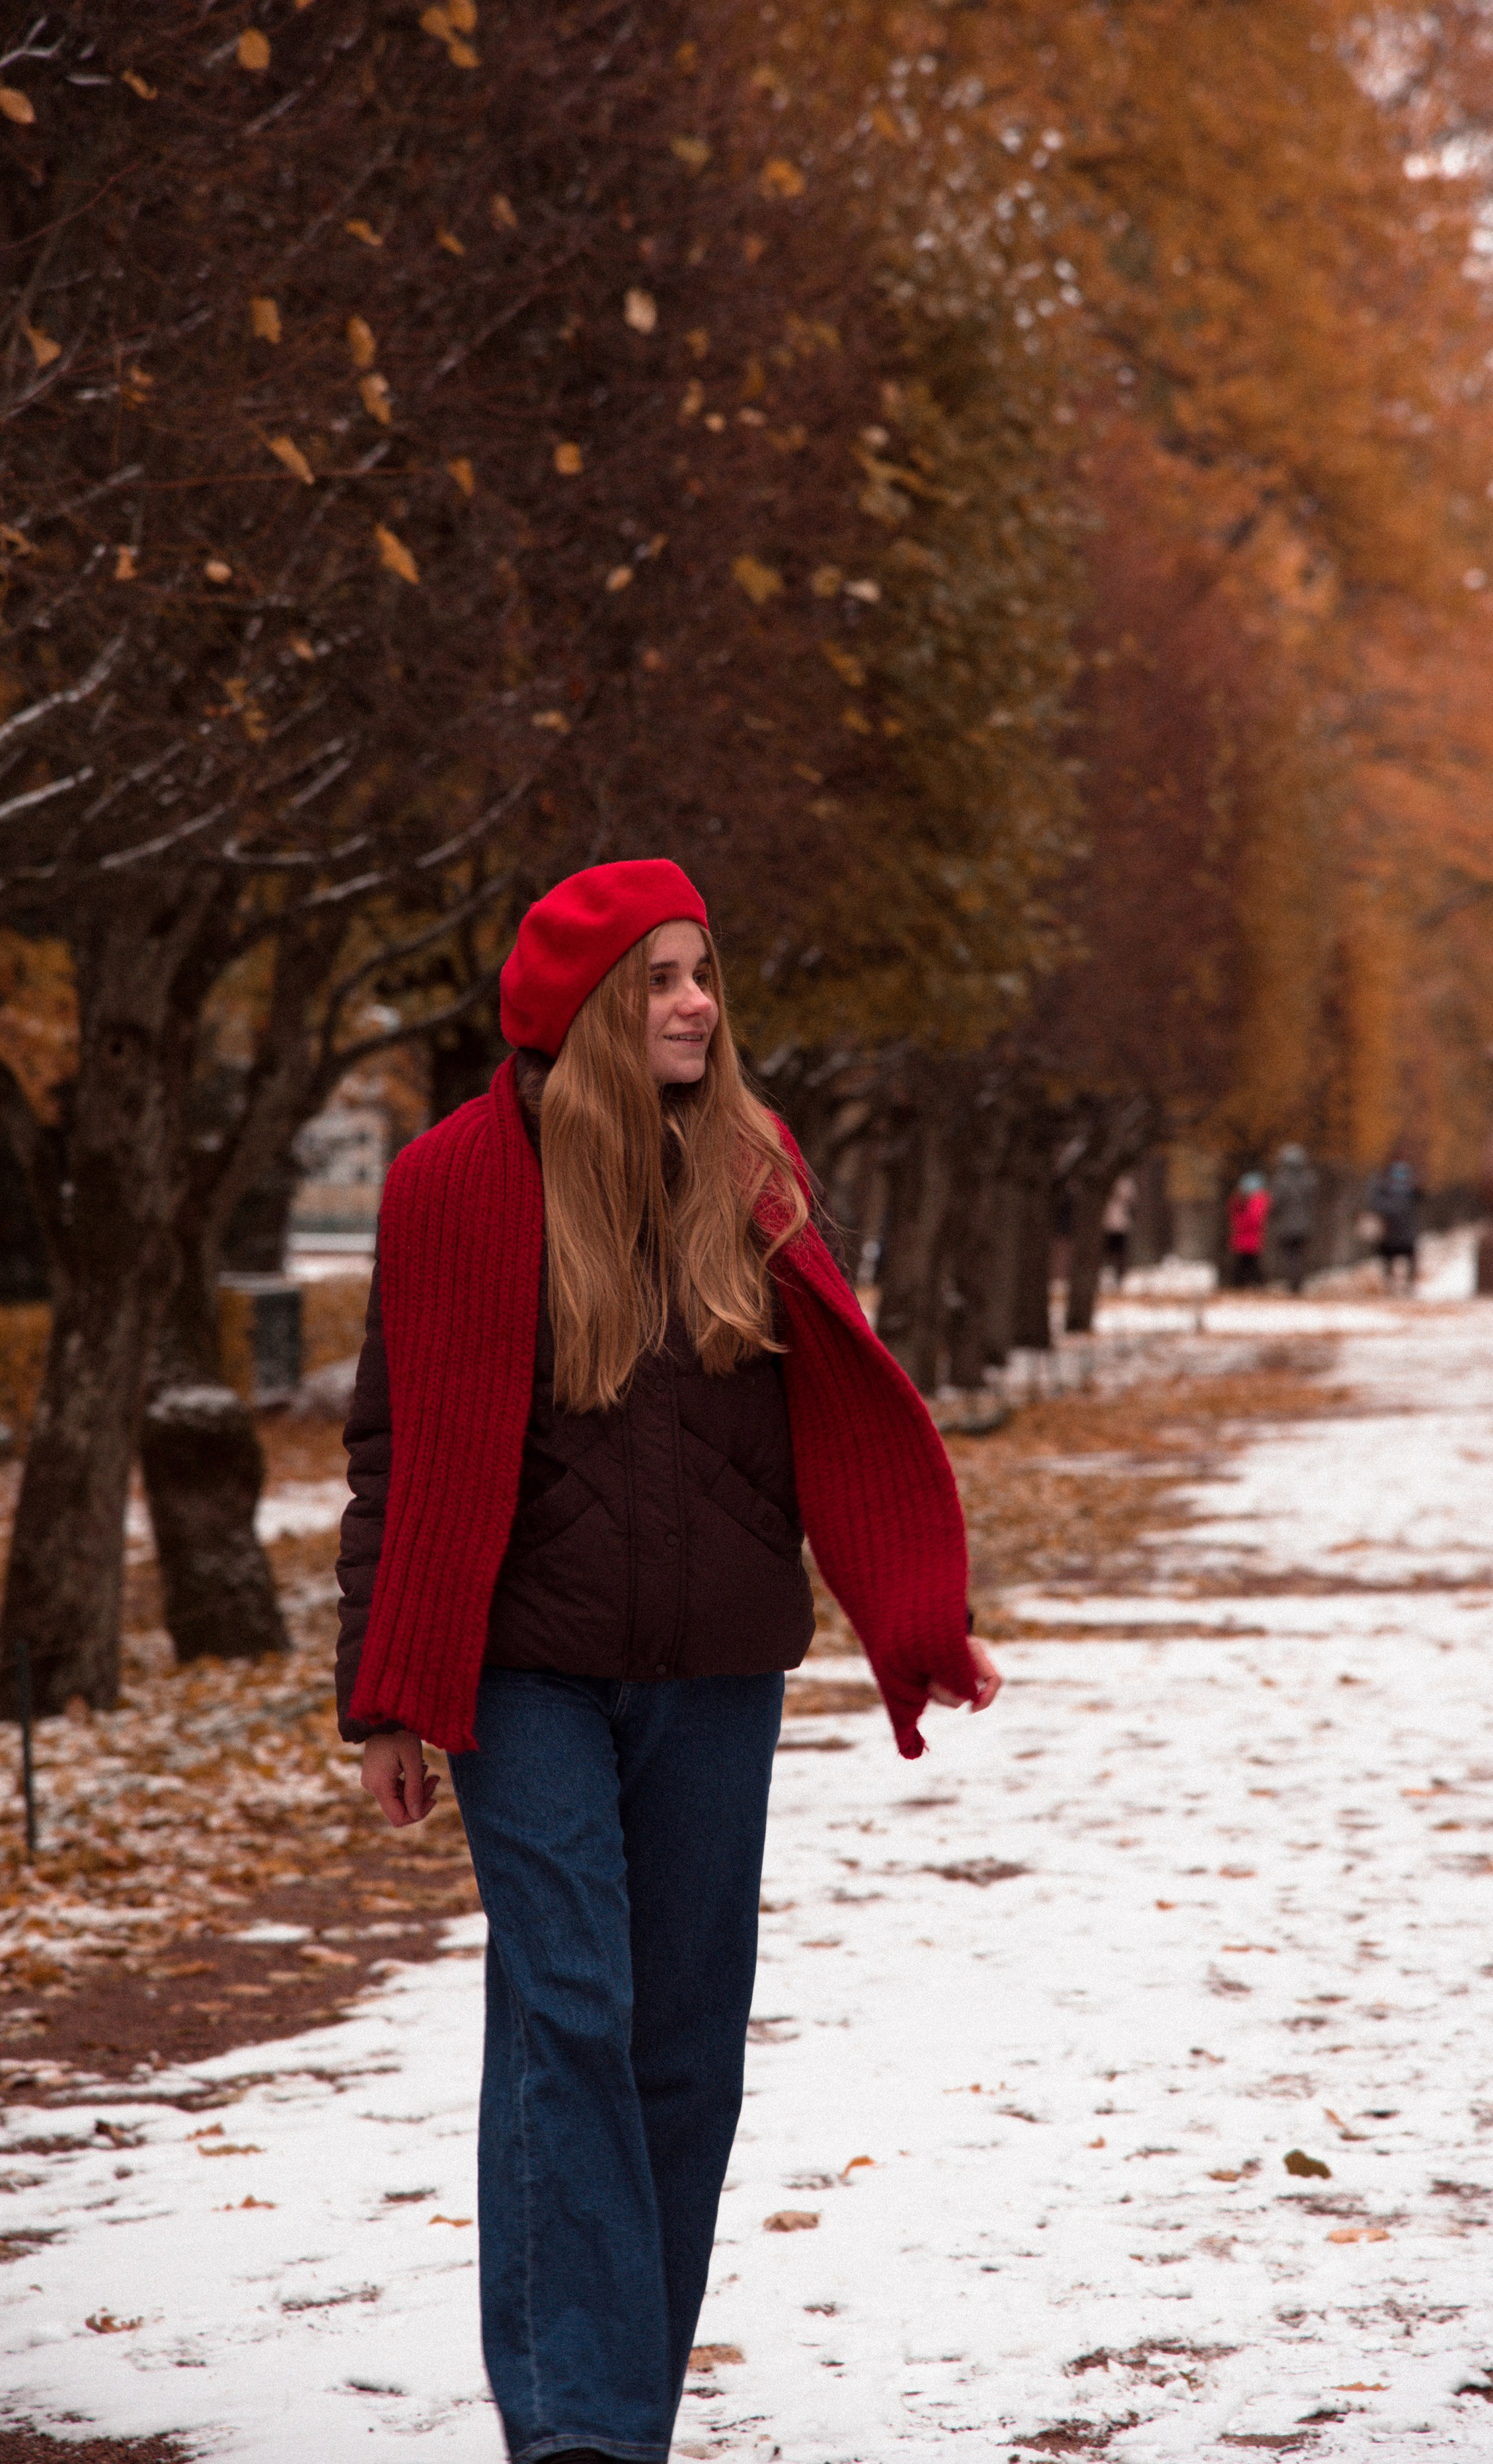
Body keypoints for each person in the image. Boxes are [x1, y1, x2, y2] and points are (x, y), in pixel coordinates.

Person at [334, 859, 1002, 2464]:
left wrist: (909, 1607)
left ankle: (605, 2377)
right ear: (581, 1008)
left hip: (715, 1668)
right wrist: (384, 1691)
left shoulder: (756, 1174)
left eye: (702, 970)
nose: (697, 1000)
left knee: (680, 2035)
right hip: (522, 1668)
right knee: (570, 2002)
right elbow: (389, 1447)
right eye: (659, 977)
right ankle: (590, 2427)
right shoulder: (445, 1184)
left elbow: (838, 1408)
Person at [1268, 1143, 1319, 1293]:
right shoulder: (1310, 1179)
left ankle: (1294, 1283)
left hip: (1286, 1225)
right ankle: (1298, 1281)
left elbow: (1276, 1203)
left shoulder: (1281, 1180)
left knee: (1290, 1255)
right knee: (1300, 1255)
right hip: (1305, 1224)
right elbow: (1312, 1201)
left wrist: (1273, 1215)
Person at [1368, 1155, 1424, 1291]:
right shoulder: (1406, 1188)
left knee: (1393, 1258)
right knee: (1402, 1257)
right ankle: (1402, 1285)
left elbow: (1375, 1201)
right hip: (1399, 1230)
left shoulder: (1386, 1187)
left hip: (1395, 1230)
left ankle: (1396, 1285)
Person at [1226, 1170, 1270, 1289]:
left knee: (1247, 1265)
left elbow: (1253, 1220)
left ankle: (1243, 1285)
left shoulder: (1257, 1200)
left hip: (1249, 1238)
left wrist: (1240, 1223)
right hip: (1247, 1238)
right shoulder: (1247, 1200)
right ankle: (1249, 1285)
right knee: (1247, 1264)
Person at [1100, 1171, 1136, 1289]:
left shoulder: (1126, 1181)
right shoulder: (1101, 1180)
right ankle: (1104, 1278)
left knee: (1120, 1254)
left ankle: (1119, 1279)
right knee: (1105, 1253)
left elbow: (1132, 1199)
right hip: (1105, 1224)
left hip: (1121, 1225)